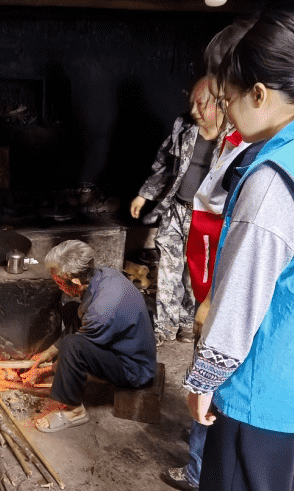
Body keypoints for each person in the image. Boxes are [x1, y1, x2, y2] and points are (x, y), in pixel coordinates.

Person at [159, 19, 294, 491]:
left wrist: (205, 376)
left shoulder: (275, 175)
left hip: (263, 386)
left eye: (226, 100)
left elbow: (243, 293)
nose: (223, 114)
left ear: (258, 93)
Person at [130, 76, 227, 345]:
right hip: (176, 210)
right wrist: (144, 195)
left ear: (220, 104)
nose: (193, 111)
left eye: (201, 105)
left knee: (192, 273)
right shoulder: (183, 126)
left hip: (207, 217)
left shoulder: (233, 135)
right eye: (191, 104)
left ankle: (186, 322)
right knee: (169, 270)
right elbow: (164, 162)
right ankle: (164, 326)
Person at [28, 240, 157, 433]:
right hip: (120, 342)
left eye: (58, 280)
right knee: (72, 310)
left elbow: (78, 346)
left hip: (133, 368)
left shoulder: (102, 308)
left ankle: (75, 412)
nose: (56, 283)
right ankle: (72, 371)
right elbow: (83, 324)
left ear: (75, 280)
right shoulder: (104, 275)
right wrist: (47, 353)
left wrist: (55, 367)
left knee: (71, 346)